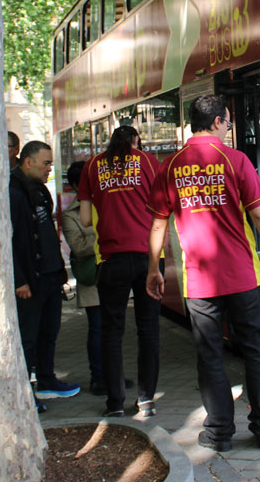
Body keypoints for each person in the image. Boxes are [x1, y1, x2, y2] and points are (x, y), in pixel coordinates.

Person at [146, 94, 260, 451]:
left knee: (210, 356)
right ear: (216, 122)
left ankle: (219, 433)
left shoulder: (171, 165)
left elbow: (158, 224)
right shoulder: (235, 160)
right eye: (227, 122)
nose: (228, 128)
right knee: (257, 351)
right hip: (244, 276)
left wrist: (155, 268)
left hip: (199, 283)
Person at [79, 125, 160, 418]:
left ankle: (114, 403)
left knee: (111, 331)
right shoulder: (149, 162)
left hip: (110, 259)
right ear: (135, 142)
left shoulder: (92, 166)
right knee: (148, 329)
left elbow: (86, 219)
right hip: (148, 257)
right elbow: (163, 208)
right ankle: (146, 400)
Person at [10, 140, 80, 406]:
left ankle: (47, 380)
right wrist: (20, 280)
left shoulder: (39, 190)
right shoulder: (13, 192)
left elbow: (47, 232)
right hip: (31, 280)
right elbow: (11, 241)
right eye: (46, 163)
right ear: (28, 162)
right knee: (28, 337)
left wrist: (60, 271)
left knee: (49, 332)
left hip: (50, 275)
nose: (50, 168)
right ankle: (25, 394)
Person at [60, 161, 104, 395]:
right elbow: (77, 247)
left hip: (109, 275)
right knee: (97, 328)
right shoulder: (71, 215)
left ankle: (112, 374)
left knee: (111, 329)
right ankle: (98, 377)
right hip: (91, 279)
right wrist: (105, 235)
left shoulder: (106, 201)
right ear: (78, 184)